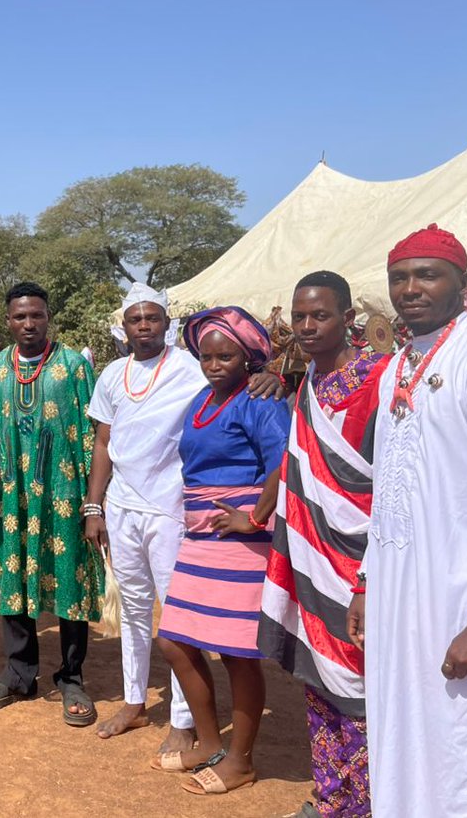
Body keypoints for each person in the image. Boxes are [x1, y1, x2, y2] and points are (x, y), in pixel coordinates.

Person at [347, 225, 467, 817]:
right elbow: (388, 492)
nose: (410, 289)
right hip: (399, 597)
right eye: (399, 277)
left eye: (427, 275)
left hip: (465, 599)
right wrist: (368, 581)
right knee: (404, 734)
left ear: (462, 282)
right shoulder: (401, 364)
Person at [85, 284, 284, 752]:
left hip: (174, 508)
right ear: (124, 326)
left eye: (152, 317)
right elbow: (103, 442)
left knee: (178, 618)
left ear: (167, 322)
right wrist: (95, 505)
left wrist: (271, 377)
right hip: (122, 505)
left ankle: (182, 719)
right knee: (134, 608)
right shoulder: (112, 374)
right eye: (135, 319)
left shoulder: (193, 367)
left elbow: (238, 374)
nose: (144, 326)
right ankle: (134, 702)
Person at [259, 272, 388, 818]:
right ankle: (332, 797)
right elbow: (295, 462)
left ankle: (372, 803)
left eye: (321, 315)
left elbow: (393, 480)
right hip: (313, 554)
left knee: (363, 682)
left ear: (348, 318)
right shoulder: (307, 379)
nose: (307, 326)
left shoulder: (381, 378)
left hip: (365, 557)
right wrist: (257, 517)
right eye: (300, 316)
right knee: (320, 680)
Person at [154, 306, 290, 795]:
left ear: (248, 358)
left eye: (226, 357)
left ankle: (241, 761)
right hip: (200, 539)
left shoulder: (260, 399)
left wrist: (254, 518)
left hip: (240, 544)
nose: (214, 365)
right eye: (207, 357)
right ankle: (211, 744)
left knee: (236, 654)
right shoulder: (202, 399)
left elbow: (284, 462)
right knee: (174, 640)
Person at [0, 282, 103, 726]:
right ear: (8, 321)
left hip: (64, 492)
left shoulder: (73, 366)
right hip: (15, 493)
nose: (28, 323)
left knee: (69, 577)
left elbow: (92, 435)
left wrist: (93, 502)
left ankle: (71, 676)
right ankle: (19, 672)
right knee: (13, 574)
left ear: (49, 317)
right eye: (20, 316)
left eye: (36, 315)